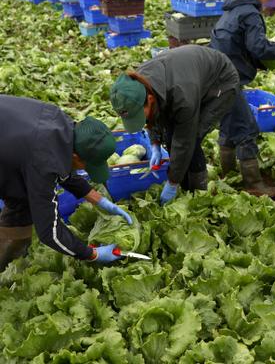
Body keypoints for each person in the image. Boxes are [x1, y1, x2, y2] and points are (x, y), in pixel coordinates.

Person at [0, 96, 132, 271]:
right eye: (87, 165)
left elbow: (61, 164)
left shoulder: (63, 126)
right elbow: (49, 233)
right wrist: (92, 254)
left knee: (23, 198)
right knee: (25, 199)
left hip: (11, 142)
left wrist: (98, 199)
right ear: (76, 156)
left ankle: (9, 253)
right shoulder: (44, 159)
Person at [109, 45, 240, 206]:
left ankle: (199, 192)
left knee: (193, 136)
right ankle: (183, 183)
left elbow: (185, 141)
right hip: (188, 77)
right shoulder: (138, 84)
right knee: (171, 136)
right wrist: (155, 142)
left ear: (149, 100)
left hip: (220, 83)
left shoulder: (182, 97)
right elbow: (152, 116)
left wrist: (172, 183)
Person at [210, 0, 275, 197]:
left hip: (216, 75)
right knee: (247, 128)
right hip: (229, 77)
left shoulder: (232, 8)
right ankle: (254, 184)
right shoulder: (250, 13)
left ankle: (228, 174)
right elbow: (258, 47)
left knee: (229, 125)